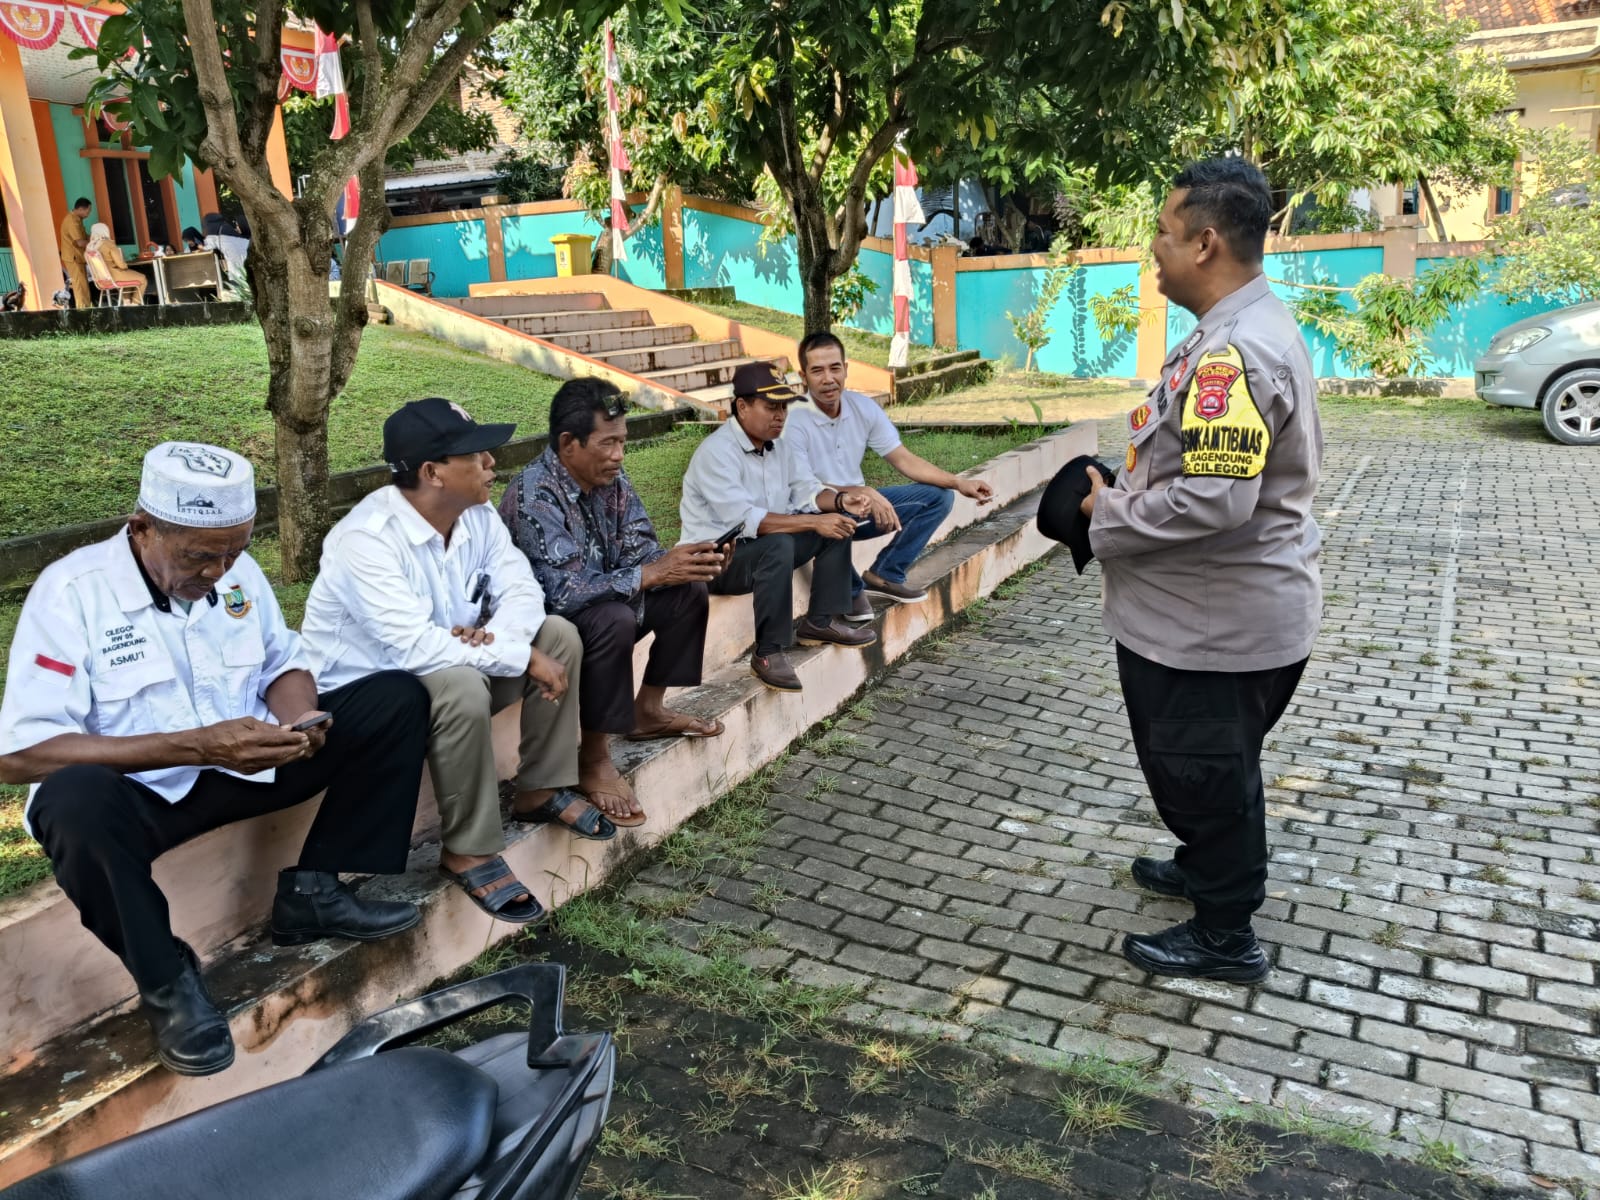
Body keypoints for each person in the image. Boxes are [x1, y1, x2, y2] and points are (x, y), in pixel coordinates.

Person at [0, 443, 428, 1077]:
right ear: (142, 529)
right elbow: (20, 754)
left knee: (394, 698)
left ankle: (315, 890)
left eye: (234, 552)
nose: (219, 571)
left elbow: (284, 662)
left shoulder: (235, 572)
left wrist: (300, 720)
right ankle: (167, 982)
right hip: (148, 795)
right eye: (199, 556)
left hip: (246, 766)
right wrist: (199, 745)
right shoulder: (72, 592)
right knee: (71, 801)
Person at [1080, 157, 1322, 984]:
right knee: (1207, 769)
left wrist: (1104, 515)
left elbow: (1215, 501)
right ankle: (1205, 869)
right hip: (1204, 618)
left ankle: (1226, 936)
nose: (1152, 247)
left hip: (1212, 631)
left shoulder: (1238, 353)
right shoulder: (1232, 331)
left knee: (1208, 777)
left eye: (1162, 231)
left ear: (1206, 243)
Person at [300, 398, 601, 929]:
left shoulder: (477, 516)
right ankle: (469, 848)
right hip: (375, 698)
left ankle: (540, 787)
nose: (491, 463)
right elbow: (414, 649)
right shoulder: (365, 539)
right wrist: (515, 654)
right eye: (475, 455)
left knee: (557, 636)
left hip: (450, 669)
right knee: (464, 680)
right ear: (432, 472)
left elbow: (521, 589)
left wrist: (503, 639)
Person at [500, 379, 725, 827]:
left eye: (622, 441)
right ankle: (594, 758)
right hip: (551, 629)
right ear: (569, 444)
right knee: (613, 618)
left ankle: (648, 711)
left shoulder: (612, 481)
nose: (620, 454)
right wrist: (649, 574)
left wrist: (687, 562)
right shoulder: (533, 494)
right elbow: (561, 594)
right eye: (608, 443)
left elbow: (642, 551)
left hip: (602, 606)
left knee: (687, 592)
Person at [679, 361, 875, 693]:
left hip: (760, 549)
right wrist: (815, 521)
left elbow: (805, 489)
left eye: (784, 406)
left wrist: (841, 501)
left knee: (837, 525)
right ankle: (768, 652)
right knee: (782, 542)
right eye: (771, 407)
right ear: (742, 406)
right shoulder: (717, 453)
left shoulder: (778, 445)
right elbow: (746, 520)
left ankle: (820, 622)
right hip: (715, 562)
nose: (780, 415)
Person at [788, 330, 994, 616]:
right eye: (817, 371)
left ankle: (885, 573)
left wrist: (959, 482)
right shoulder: (791, 419)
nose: (828, 378)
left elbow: (903, 459)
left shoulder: (862, 407)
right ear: (803, 376)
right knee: (860, 609)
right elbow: (801, 488)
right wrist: (862, 492)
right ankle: (849, 592)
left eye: (835, 368)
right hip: (811, 516)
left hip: (858, 509)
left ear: (845, 369)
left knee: (939, 497)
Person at [85, 222, 149, 305]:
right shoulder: (108, 243)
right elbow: (121, 264)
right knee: (143, 279)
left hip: (100, 280)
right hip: (114, 275)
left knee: (130, 278)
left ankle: (126, 302)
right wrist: (125, 266)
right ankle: (135, 304)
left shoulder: (89, 247)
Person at [58, 197, 92, 310]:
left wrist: (96, 237)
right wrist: (93, 244)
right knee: (80, 286)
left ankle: (87, 308)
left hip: (78, 257)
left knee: (83, 284)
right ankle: (82, 311)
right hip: (73, 258)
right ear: (81, 209)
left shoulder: (77, 219)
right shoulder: (72, 221)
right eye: (88, 211)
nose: (88, 214)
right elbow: (80, 242)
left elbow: (84, 236)